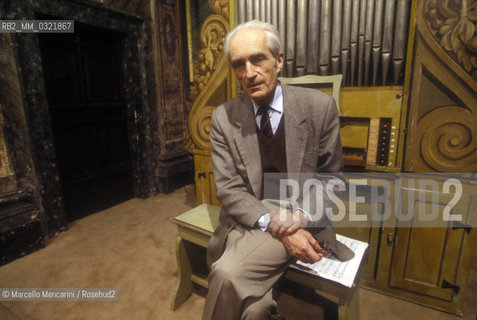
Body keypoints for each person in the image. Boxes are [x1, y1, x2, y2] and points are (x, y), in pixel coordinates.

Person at [202, 20, 352, 320]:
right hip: (250, 216)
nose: (249, 73)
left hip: (301, 211)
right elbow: (229, 188)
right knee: (255, 309)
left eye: (258, 59)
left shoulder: (319, 107)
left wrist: (298, 219)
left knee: (227, 273)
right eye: (239, 65)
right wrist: (278, 226)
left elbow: (332, 181)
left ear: (279, 60)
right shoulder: (223, 117)